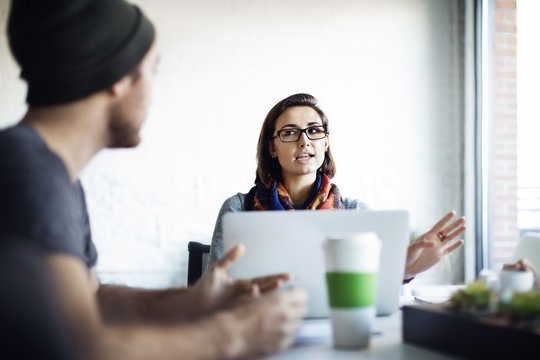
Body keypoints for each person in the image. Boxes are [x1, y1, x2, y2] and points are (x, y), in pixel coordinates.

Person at [0, 1, 307, 359]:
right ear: (119, 78)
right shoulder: (28, 174)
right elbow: (80, 348)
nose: (152, 94)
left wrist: (192, 300)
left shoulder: (47, 170)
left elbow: (91, 298)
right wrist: (234, 335)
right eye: (153, 72)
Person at [210, 93, 466, 282]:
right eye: (290, 133)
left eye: (314, 131)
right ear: (272, 148)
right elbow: (217, 289)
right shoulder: (239, 209)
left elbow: (370, 289)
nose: (304, 141)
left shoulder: (355, 213)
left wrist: (404, 270)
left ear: (326, 142)